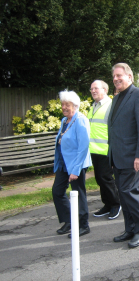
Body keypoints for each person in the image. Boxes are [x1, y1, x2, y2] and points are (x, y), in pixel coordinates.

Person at [108, 63, 139, 248]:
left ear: (130, 77)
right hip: (118, 157)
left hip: (134, 157)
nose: (116, 78)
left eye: (119, 75)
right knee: (123, 195)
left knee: (130, 193)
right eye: (114, 76)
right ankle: (130, 229)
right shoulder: (116, 98)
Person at [52, 91, 92, 238]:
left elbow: (83, 146)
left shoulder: (81, 120)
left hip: (77, 164)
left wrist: (75, 170)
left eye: (67, 105)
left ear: (75, 105)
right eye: (62, 104)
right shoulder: (64, 121)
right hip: (63, 163)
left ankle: (83, 225)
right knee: (57, 191)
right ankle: (69, 222)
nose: (64, 107)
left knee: (78, 193)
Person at [88, 80, 121, 220]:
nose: (93, 91)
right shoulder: (93, 106)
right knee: (99, 179)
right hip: (94, 149)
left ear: (105, 90)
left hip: (105, 150)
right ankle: (107, 204)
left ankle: (115, 204)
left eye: (96, 88)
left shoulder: (110, 106)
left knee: (106, 179)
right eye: (91, 89)